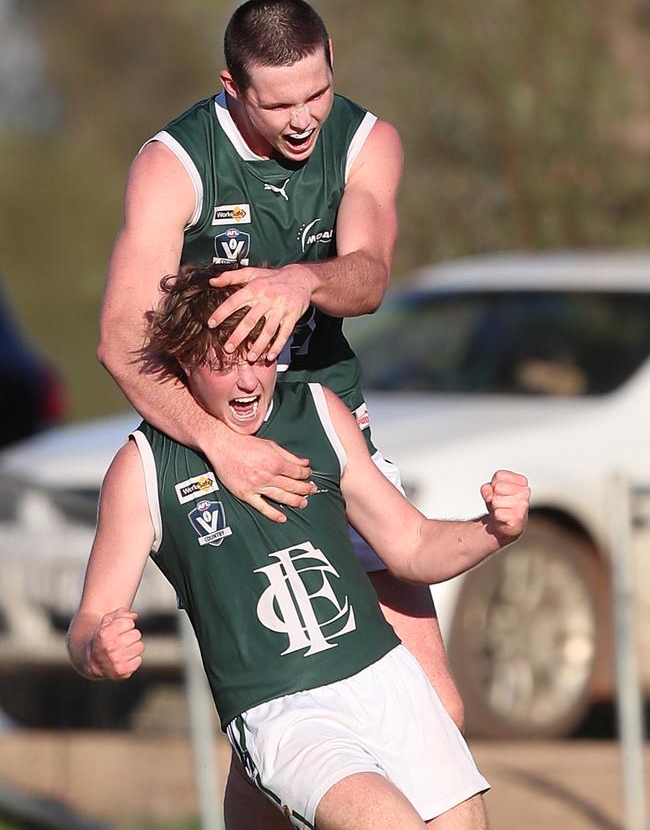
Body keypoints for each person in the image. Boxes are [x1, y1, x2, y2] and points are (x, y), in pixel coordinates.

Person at [99, 0, 461, 820]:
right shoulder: (175, 163)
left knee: (441, 705)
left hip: (330, 427)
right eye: (279, 102)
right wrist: (220, 447)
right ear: (232, 85)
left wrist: (303, 279)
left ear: (331, 59)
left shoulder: (367, 142)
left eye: (316, 93)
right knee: (278, 706)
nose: (303, 119)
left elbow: (367, 273)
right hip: (219, 438)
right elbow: (121, 339)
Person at [70, 265, 530, 829]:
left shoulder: (317, 411)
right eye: (223, 364)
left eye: (261, 356)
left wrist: (492, 529)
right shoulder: (144, 467)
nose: (248, 382)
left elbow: (411, 546)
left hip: (384, 676)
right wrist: (98, 648)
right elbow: (90, 620)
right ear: (185, 361)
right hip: (283, 708)